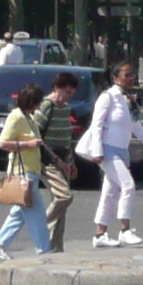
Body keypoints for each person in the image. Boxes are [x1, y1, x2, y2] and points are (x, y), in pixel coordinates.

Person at [83, 64, 143, 247]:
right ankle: (125, 230)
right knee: (128, 185)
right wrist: (97, 151)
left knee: (109, 193)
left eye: (132, 74)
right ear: (116, 78)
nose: (131, 78)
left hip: (122, 151)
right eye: (127, 75)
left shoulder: (128, 100)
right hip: (107, 150)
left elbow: (138, 129)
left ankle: (100, 235)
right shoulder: (108, 97)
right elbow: (96, 125)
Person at [0, 83, 51, 257]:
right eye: (38, 101)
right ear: (31, 101)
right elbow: (3, 143)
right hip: (22, 172)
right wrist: (28, 144)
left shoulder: (29, 117)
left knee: (20, 213)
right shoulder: (16, 117)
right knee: (37, 213)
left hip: (32, 170)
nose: (40, 105)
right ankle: (43, 250)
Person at [36, 74, 81, 251]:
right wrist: (56, 160)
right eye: (65, 92)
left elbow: (66, 139)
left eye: (71, 93)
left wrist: (71, 162)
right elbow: (36, 136)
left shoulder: (66, 108)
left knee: (62, 209)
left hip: (63, 159)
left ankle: (55, 248)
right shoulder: (47, 105)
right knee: (64, 196)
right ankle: (40, 227)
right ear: (56, 87)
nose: (67, 96)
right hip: (47, 160)